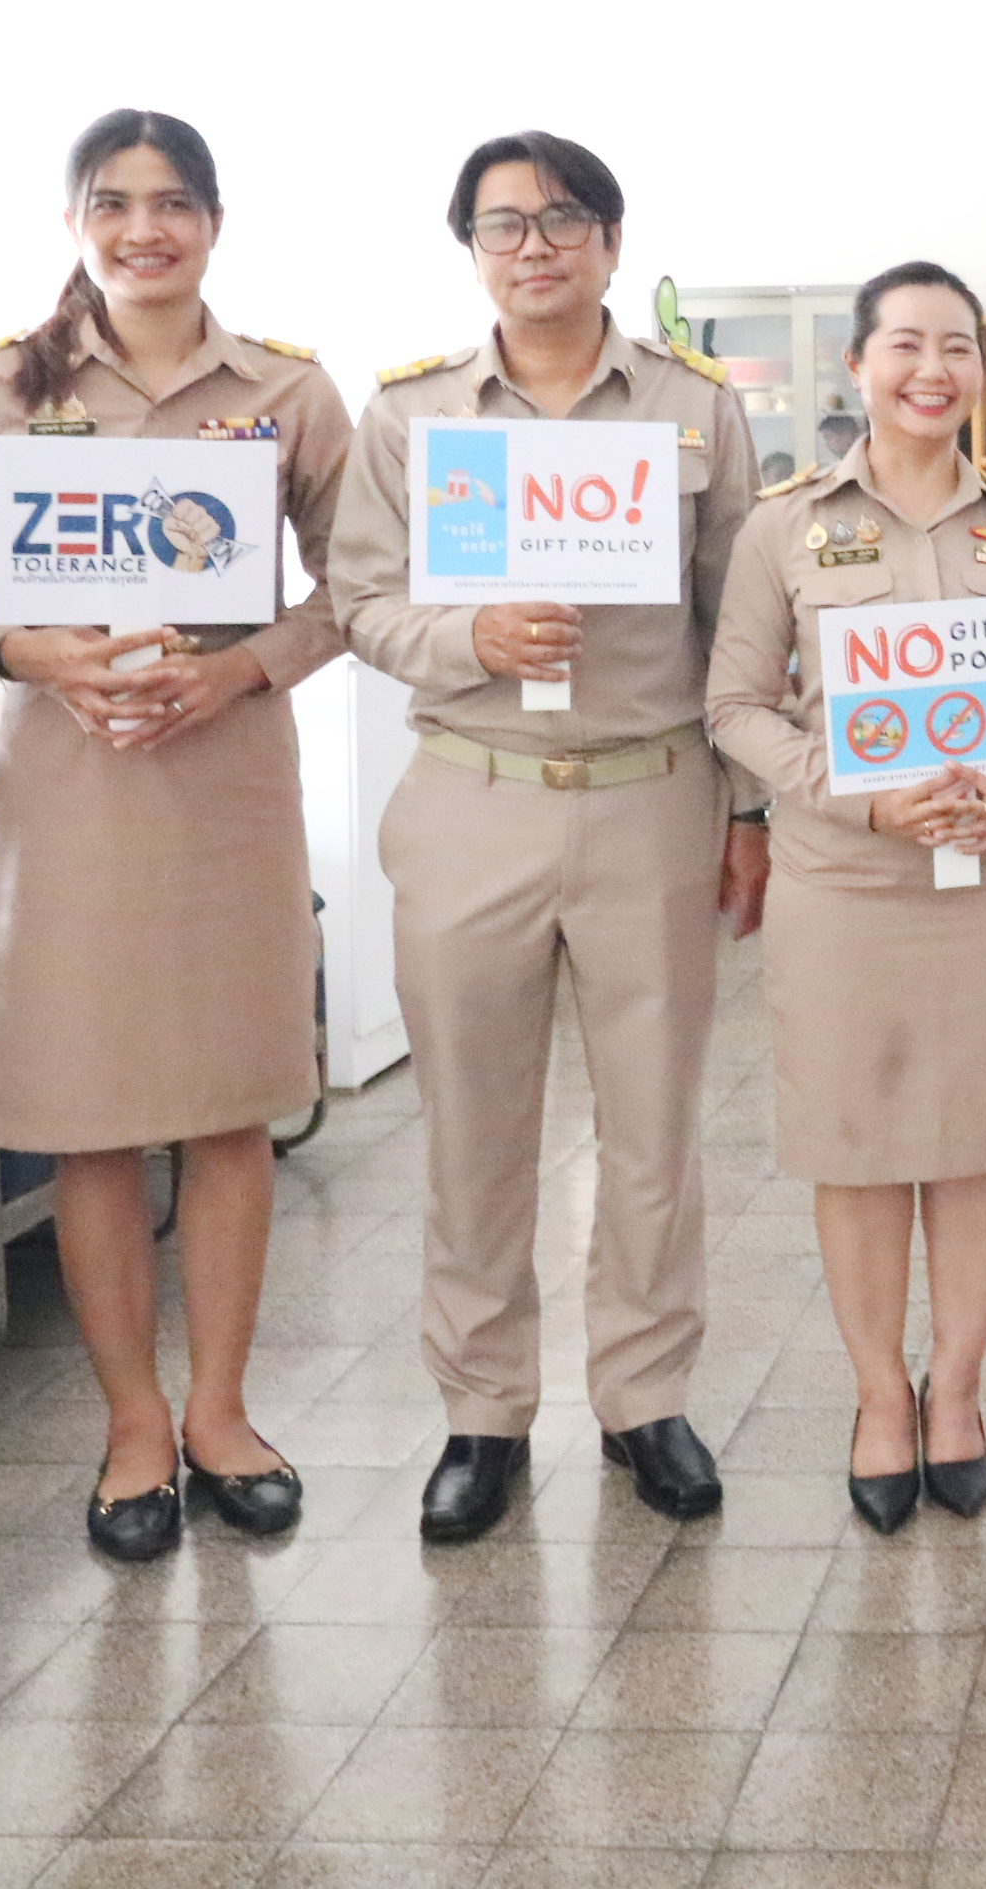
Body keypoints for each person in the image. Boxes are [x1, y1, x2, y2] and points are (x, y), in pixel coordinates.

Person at [0, 111, 349, 1561]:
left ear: (215, 223)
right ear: (74, 224)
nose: (144, 229)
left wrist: (236, 671)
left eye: (172, 204)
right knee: (90, 1115)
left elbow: (362, 580)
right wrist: (42, 658)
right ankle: (129, 1425)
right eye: (113, 204)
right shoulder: (3, 384)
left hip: (222, 770)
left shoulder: (287, 387)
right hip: (66, 776)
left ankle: (221, 1412)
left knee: (228, 1102)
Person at [330, 131, 767, 1542]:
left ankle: (646, 1399)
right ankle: (482, 1414)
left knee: (651, 1130)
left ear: (612, 242)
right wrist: (474, 636)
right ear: (471, 250)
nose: (536, 245)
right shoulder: (411, 418)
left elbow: (743, 625)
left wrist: (746, 811)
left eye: (564, 218)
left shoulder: (695, 411)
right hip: (475, 790)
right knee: (473, 1128)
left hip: (652, 794)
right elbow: (363, 606)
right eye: (504, 224)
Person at [706, 262, 986, 1532]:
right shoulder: (783, 526)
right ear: (858, 366)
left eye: (956, 347)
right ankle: (875, 1396)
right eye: (904, 345)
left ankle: (955, 1392)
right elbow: (734, 705)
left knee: (974, 1145)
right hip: (843, 883)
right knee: (854, 1147)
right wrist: (856, 794)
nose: (932, 370)